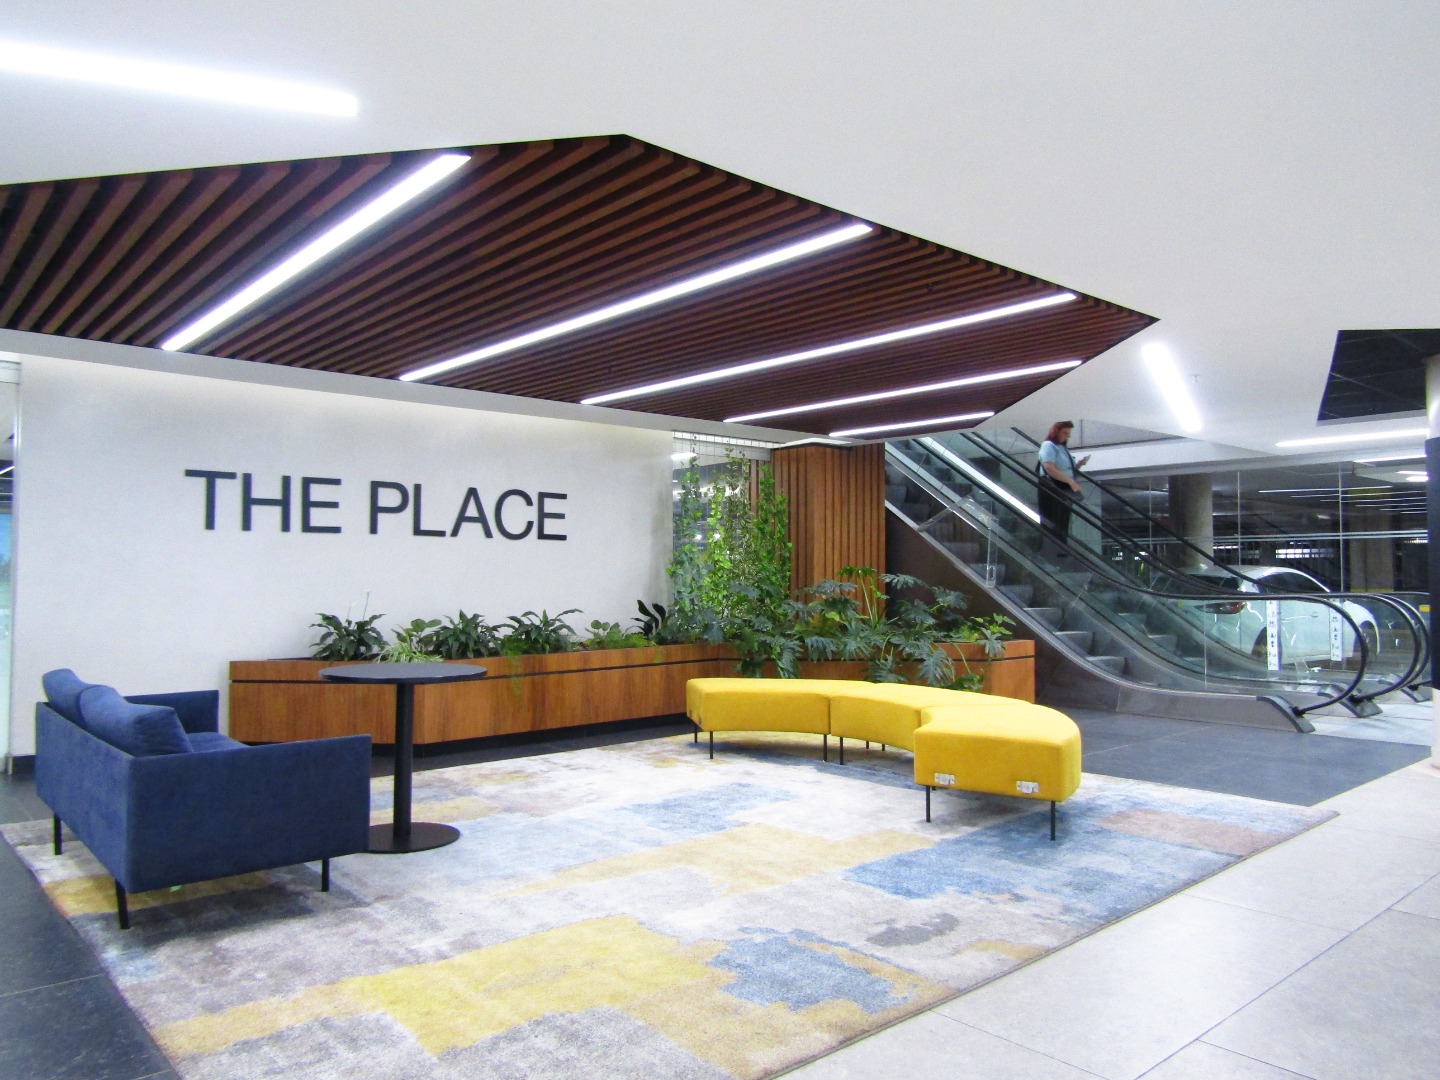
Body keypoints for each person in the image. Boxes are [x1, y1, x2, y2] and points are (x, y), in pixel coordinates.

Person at [1036, 421, 1090, 544]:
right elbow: (1049, 468)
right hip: (1053, 487)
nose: (1067, 436)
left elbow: (1065, 469)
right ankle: (1052, 547)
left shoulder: (1063, 448)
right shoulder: (1048, 445)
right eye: (1065, 433)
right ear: (1056, 432)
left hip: (1063, 487)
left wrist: (1078, 465)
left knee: (1063, 521)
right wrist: (1070, 481)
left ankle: (1061, 546)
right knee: (1054, 519)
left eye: (1068, 434)